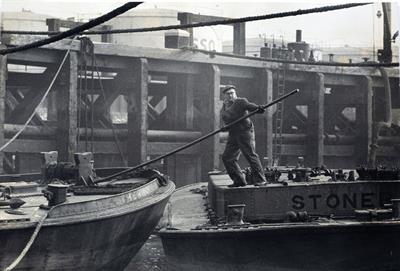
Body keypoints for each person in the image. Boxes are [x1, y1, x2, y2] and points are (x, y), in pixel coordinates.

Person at [220, 85, 267, 187]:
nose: (231, 95)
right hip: (233, 133)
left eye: (232, 93)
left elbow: (251, 107)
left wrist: (259, 108)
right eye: (228, 94)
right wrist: (225, 127)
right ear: (225, 96)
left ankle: (261, 180)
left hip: (244, 132)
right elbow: (226, 120)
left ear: (235, 93)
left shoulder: (241, 102)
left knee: (250, 154)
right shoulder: (224, 107)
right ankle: (239, 181)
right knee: (227, 157)